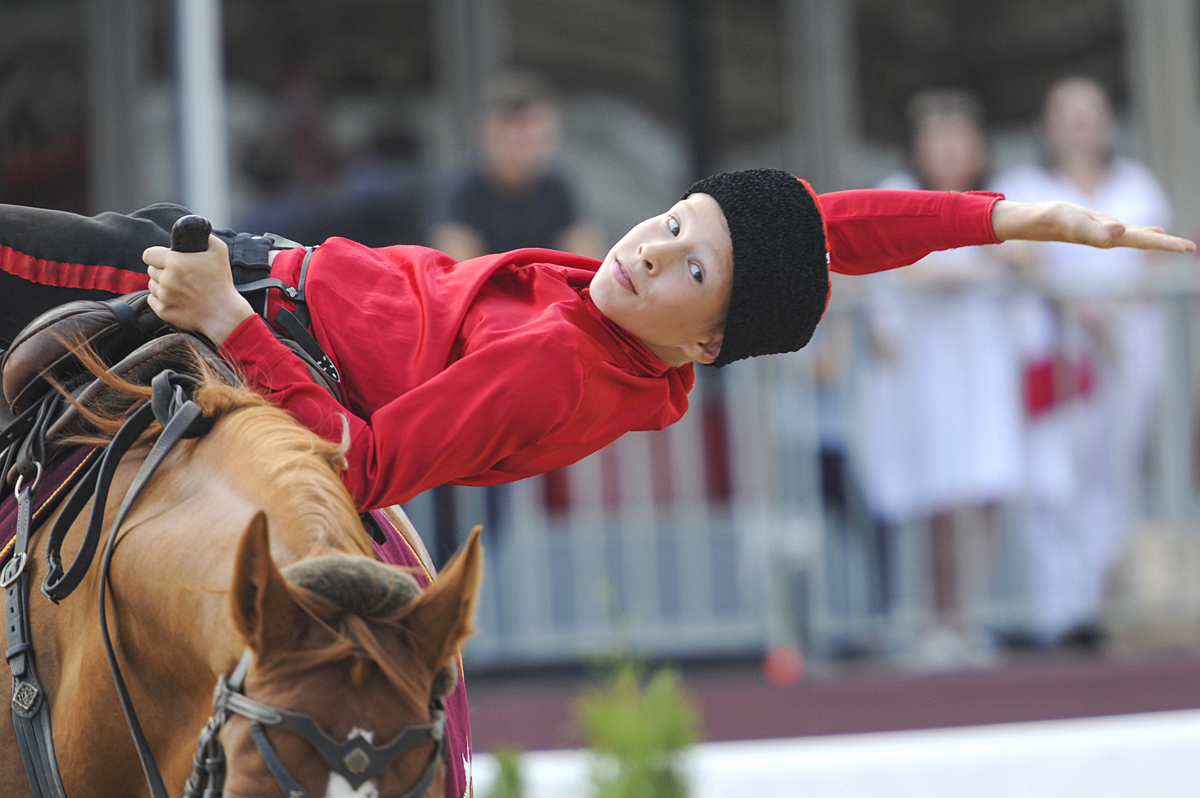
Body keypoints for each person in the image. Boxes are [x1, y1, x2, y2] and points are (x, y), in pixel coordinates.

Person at [0, 170, 1191, 517]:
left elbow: (362, 468)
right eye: (672, 221)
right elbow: (836, 227)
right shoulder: (652, 324)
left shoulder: (568, 366)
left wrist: (223, 316)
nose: (649, 249)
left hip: (266, 321)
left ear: (710, 344)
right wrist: (1025, 219)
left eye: (687, 266)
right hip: (276, 273)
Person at [993, 77, 1174, 646]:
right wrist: (1075, 304)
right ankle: (1058, 613)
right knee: (1051, 478)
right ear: (1046, 126)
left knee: (1113, 476)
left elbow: (1158, 257)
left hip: (1124, 352)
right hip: (1052, 351)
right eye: (1065, 114)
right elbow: (1013, 250)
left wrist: (1113, 311)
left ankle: (1107, 607)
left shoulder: (1136, 185)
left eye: (1088, 114)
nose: (1078, 126)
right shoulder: (1022, 185)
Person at [854, 90, 1024, 666]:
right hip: (923, 368)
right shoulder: (892, 193)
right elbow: (901, 275)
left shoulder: (1004, 196)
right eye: (938, 135)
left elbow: (1030, 260)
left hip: (984, 362)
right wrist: (980, 268)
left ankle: (970, 616)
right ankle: (935, 619)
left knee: (987, 480)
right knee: (938, 493)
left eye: (961, 134)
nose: (951, 147)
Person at [428, 72, 605, 261]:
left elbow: (586, 260)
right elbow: (458, 269)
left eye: (532, 138)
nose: (522, 148)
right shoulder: (459, 188)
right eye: (511, 138)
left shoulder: (558, 186)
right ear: (487, 135)